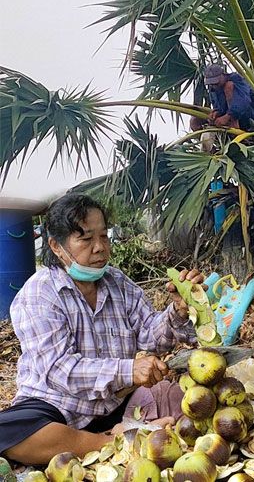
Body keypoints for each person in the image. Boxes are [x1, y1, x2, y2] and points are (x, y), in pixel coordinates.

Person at [0, 194, 204, 465]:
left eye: (104, 236)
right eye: (85, 239)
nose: (99, 248)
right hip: (60, 408)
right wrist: (128, 370)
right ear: (56, 246)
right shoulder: (39, 294)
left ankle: (117, 435)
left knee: (191, 399)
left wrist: (178, 311)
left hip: (115, 403)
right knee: (8, 432)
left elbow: (150, 336)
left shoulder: (116, 282)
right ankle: (112, 441)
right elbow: (62, 370)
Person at [190, 63, 254, 150]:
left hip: (247, 117)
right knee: (194, 121)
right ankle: (211, 150)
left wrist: (228, 116)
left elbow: (244, 102)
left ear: (223, 75)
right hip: (227, 116)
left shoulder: (236, 79)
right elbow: (219, 107)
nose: (213, 86)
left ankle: (240, 136)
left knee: (228, 86)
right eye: (211, 83)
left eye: (216, 82)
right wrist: (216, 112)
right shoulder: (213, 88)